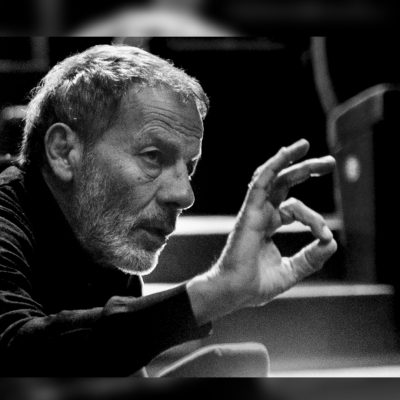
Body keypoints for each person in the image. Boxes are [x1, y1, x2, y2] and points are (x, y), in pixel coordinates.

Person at [0, 44, 337, 376]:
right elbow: (14, 352)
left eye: (189, 167)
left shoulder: (102, 234)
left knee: (237, 368)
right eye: (153, 156)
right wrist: (215, 291)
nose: (184, 194)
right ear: (64, 151)